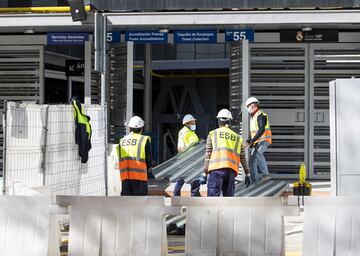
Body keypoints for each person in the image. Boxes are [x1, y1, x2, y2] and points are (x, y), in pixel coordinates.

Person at [200, 109, 250, 197]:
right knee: (228, 201)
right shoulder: (237, 137)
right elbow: (242, 157)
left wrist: (204, 173)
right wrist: (247, 174)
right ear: (229, 121)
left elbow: (208, 155)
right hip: (231, 171)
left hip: (216, 170)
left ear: (218, 120)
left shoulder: (212, 134)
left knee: (212, 199)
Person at [118, 116, 153, 196]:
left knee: (127, 202)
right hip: (139, 176)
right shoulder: (144, 139)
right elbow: (148, 157)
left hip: (125, 176)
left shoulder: (122, 140)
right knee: (140, 202)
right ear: (141, 128)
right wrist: (149, 167)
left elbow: (119, 157)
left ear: (130, 128)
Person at [244, 97, 272, 182]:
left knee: (259, 153)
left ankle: (265, 174)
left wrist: (252, 141)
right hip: (257, 142)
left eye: (248, 107)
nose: (247, 109)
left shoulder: (260, 115)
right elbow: (253, 133)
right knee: (252, 162)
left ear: (252, 106)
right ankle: (254, 180)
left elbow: (261, 129)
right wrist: (249, 141)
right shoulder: (253, 117)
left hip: (264, 140)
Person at [173, 114, 201, 196]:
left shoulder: (191, 132)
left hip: (192, 159)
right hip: (187, 159)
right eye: (193, 123)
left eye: (194, 123)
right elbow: (180, 148)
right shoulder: (184, 132)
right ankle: (178, 196)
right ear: (187, 123)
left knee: (191, 179)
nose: (194, 124)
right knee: (185, 179)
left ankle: (194, 195)